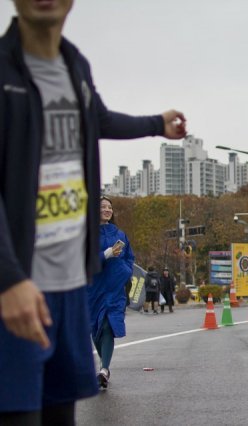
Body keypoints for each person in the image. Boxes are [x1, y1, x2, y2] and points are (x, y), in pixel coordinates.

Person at [0, 1, 187, 422]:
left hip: (69, 281)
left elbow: (97, 118)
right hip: (18, 286)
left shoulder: (74, 64)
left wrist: (156, 123)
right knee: (16, 413)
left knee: (60, 411)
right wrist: (8, 278)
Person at [86, 196, 134, 390]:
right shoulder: (88, 235)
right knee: (96, 329)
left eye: (109, 207)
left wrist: (126, 271)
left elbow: (130, 257)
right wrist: (106, 254)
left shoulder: (120, 233)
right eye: (103, 207)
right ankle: (102, 365)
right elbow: (84, 260)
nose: (107, 210)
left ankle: (104, 369)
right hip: (94, 289)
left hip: (115, 290)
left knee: (108, 326)